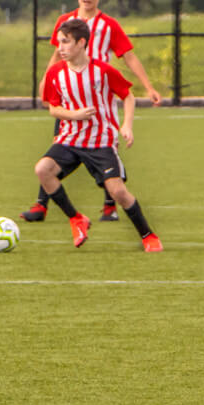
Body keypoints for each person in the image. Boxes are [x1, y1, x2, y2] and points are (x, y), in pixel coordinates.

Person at [21, 0, 163, 225]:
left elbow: (128, 56)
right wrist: (46, 79)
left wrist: (148, 86)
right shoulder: (66, 21)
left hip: (98, 96)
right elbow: (56, 54)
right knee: (58, 147)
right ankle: (42, 204)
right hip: (69, 95)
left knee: (103, 150)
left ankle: (111, 203)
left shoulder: (108, 26)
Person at [33, 18, 163, 252]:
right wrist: (74, 115)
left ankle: (148, 236)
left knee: (118, 192)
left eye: (66, 42)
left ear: (81, 43)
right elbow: (52, 107)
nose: (60, 47)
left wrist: (127, 125)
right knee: (43, 169)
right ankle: (76, 218)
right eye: (60, 42)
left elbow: (128, 96)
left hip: (100, 142)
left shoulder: (102, 71)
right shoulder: (56, 73)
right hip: (69, 139)